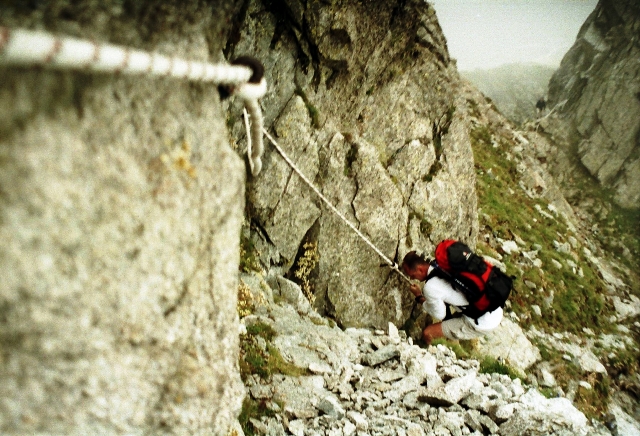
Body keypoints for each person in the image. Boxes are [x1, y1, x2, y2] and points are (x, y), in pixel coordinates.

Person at [401, 249, 503, 345]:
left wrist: (419, 297)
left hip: (481, 322)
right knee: (448, 324)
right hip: (493, 307)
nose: (412, 278)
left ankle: (434, 354)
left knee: (428, 333)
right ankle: (452, 344)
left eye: (413, 275)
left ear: (420, 269)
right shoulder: (443, 265)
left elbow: (439, 315)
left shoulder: (430, 287)